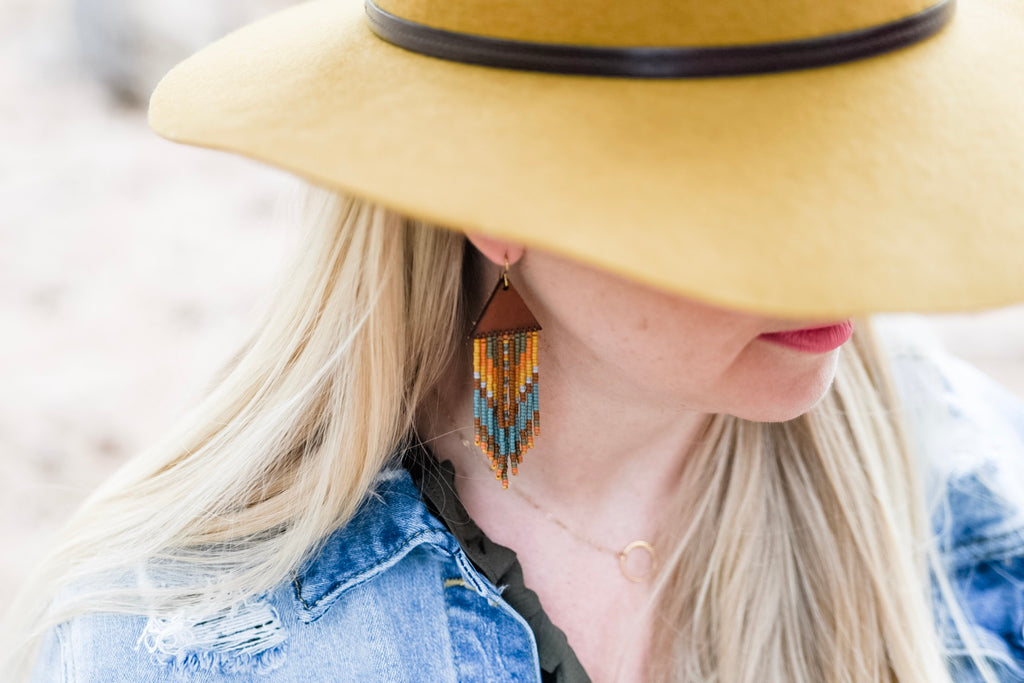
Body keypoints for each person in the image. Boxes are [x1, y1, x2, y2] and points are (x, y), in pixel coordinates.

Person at [4, 0, 1024, 680]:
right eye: (764, 186)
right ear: (494, 197)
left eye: (875, 157)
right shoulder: (182, 645)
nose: (856, 254)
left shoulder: (981, 497)